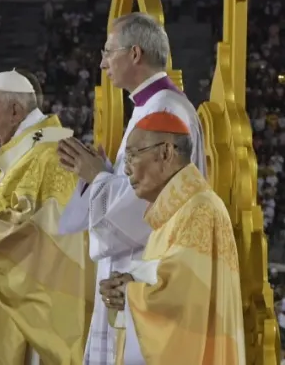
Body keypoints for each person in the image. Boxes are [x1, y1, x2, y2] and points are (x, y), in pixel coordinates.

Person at [57, 12, 206, 365]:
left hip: (147, 269)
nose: (102, 62)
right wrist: (103, 173)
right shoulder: (149, 107)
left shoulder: (166, 112)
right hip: (132, 269)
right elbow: (140, 187)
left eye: (109, 52)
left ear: (134, 54)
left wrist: (98, 178)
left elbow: (150, 207)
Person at [0, 70, 94, 364]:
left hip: (32, 316)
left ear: (14, 110)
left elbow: (49, 234)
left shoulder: (51, 154)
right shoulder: (25, 153)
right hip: (2, 306)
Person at [98, 112, 244, 364]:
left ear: (165, 153)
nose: (126, 167)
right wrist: (127, 285)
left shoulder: (199, 209)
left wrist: (128, 291)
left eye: (133, 155)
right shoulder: (173, 213)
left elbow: (182, 301)